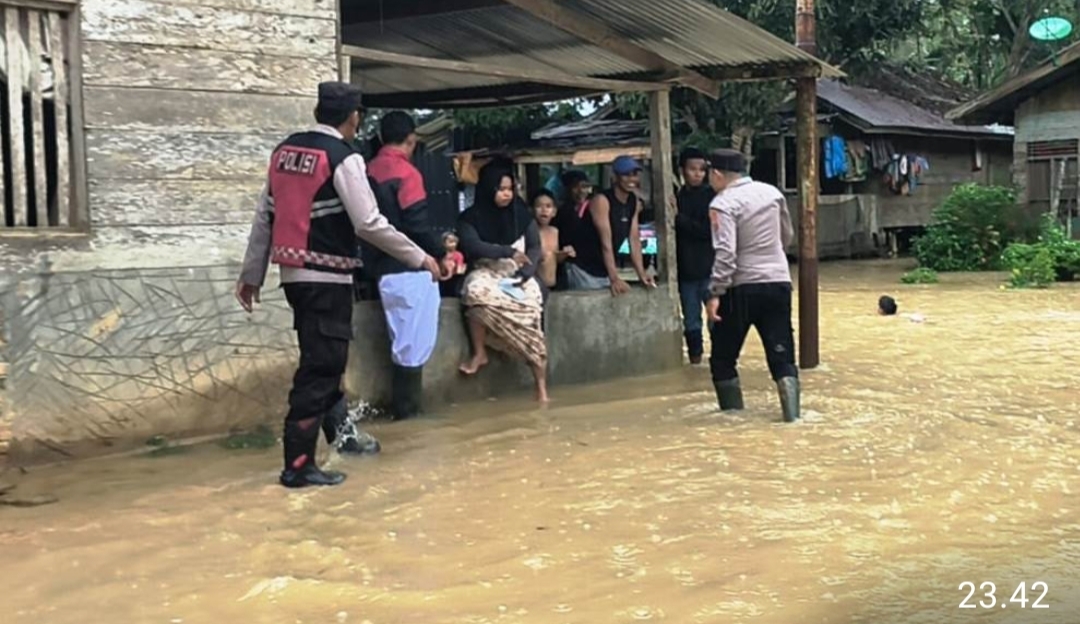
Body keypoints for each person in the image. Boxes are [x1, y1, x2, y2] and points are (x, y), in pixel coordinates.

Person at [235, 82, 441, 488]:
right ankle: (297, 466)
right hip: (327, 278)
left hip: (295, 278)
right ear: (354, 117)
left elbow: (265, 216)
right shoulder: (342, 157)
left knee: (324, 359)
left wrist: (252, 274)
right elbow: (369, 223)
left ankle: (343, 438)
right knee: (321, 368)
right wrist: (420, 257)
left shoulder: (284, 152)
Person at [703, 148, 800, 423]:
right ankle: (793, 419)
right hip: (778, 282)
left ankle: (732, 422)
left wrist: (716, 291)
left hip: (740, 287)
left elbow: (726, 253)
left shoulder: (722, 203)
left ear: (717, 174)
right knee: (782, 355)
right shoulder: (772, 194)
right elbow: (787, 235)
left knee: (723, 359)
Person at [365, 110, 445, 420]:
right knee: (413, 346)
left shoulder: (368, 170)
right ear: (411, 140)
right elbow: (417, 226)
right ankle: (408, 415)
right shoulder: (407, 174)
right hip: (411, 270)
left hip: (381, 272)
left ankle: (404, 419)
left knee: (401, 342)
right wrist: (440, 253)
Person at [457, 162, 550, 402]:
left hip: (517, 273)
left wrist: (527, 272)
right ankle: (479, 353)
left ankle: (541, 388)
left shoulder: (521, 214)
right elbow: (473, 246)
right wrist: (506, 251)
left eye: (510, 189)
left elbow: (534, 247)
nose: (507, 194)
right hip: (486, 269)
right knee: (474, 293)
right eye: (501, 189)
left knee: (532, 306)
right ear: (489, 189)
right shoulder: (470, 218)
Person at [567, 155, 656, 296]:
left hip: (604, 271)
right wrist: (614, 278)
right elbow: (605, 243)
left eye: (634, 174)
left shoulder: (633, 201)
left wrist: (641, 274)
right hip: (585, 270)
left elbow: (634, 240)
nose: (631, 179)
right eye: (626, 175)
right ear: (615, 178)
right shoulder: (602, 201)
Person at [674, 147, 715, 365]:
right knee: (691, 322)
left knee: (716, 317)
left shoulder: (712, 197)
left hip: (710, 269)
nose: (697, 173)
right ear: (682, 170)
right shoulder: (676, 197)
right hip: (686, 271)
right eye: (692, 169)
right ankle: (695, 363)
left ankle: (720, 361)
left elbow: (707, 231)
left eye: (701, 169)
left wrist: (678, 218)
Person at [532, 189, 576, 289]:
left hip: (554, 283)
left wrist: (565, 253)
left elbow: (555, 258)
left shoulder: (555, 231)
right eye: (539, 206)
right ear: (532, 210)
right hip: (535, 283)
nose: (544, 210)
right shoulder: (529, 233)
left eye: (548, 206)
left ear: (554, 212)